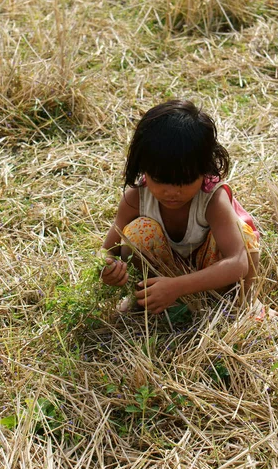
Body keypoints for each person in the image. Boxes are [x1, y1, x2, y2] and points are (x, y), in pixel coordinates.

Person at [100, 100, 264, 316]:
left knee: (243, 236)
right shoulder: (136, 198)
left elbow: (238, 262)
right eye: (160, 180)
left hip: (216, 281)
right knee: (136, 233)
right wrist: (108, 269)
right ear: (144, 170)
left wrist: (177, 286)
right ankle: (151, 299)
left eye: (184, 181)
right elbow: (106, 251)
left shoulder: (212, 199)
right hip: (164, 280)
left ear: (204, 171)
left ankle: (246, 304)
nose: (171, 192)